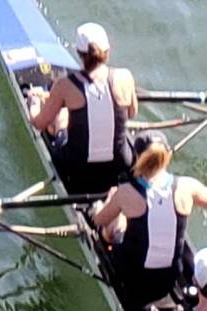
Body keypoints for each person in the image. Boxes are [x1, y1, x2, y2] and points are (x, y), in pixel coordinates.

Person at [92, 131, 207, 311]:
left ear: (137, 157)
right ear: (167, 156)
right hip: (168, 280)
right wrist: (187, 203)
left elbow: (99, 220)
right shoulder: (186, 186)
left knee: (109, 224)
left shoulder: (126, 193)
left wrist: (111, 200)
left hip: (130, 277)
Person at [27, 23, 137, 193]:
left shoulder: (65, 86)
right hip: (120, 163)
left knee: (63, 115)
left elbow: (38, 123)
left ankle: (57, 132)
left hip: (77, 167)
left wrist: (33, 102)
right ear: (107, 51)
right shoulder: (125, 77)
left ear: (79, 53)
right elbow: (132, 113)